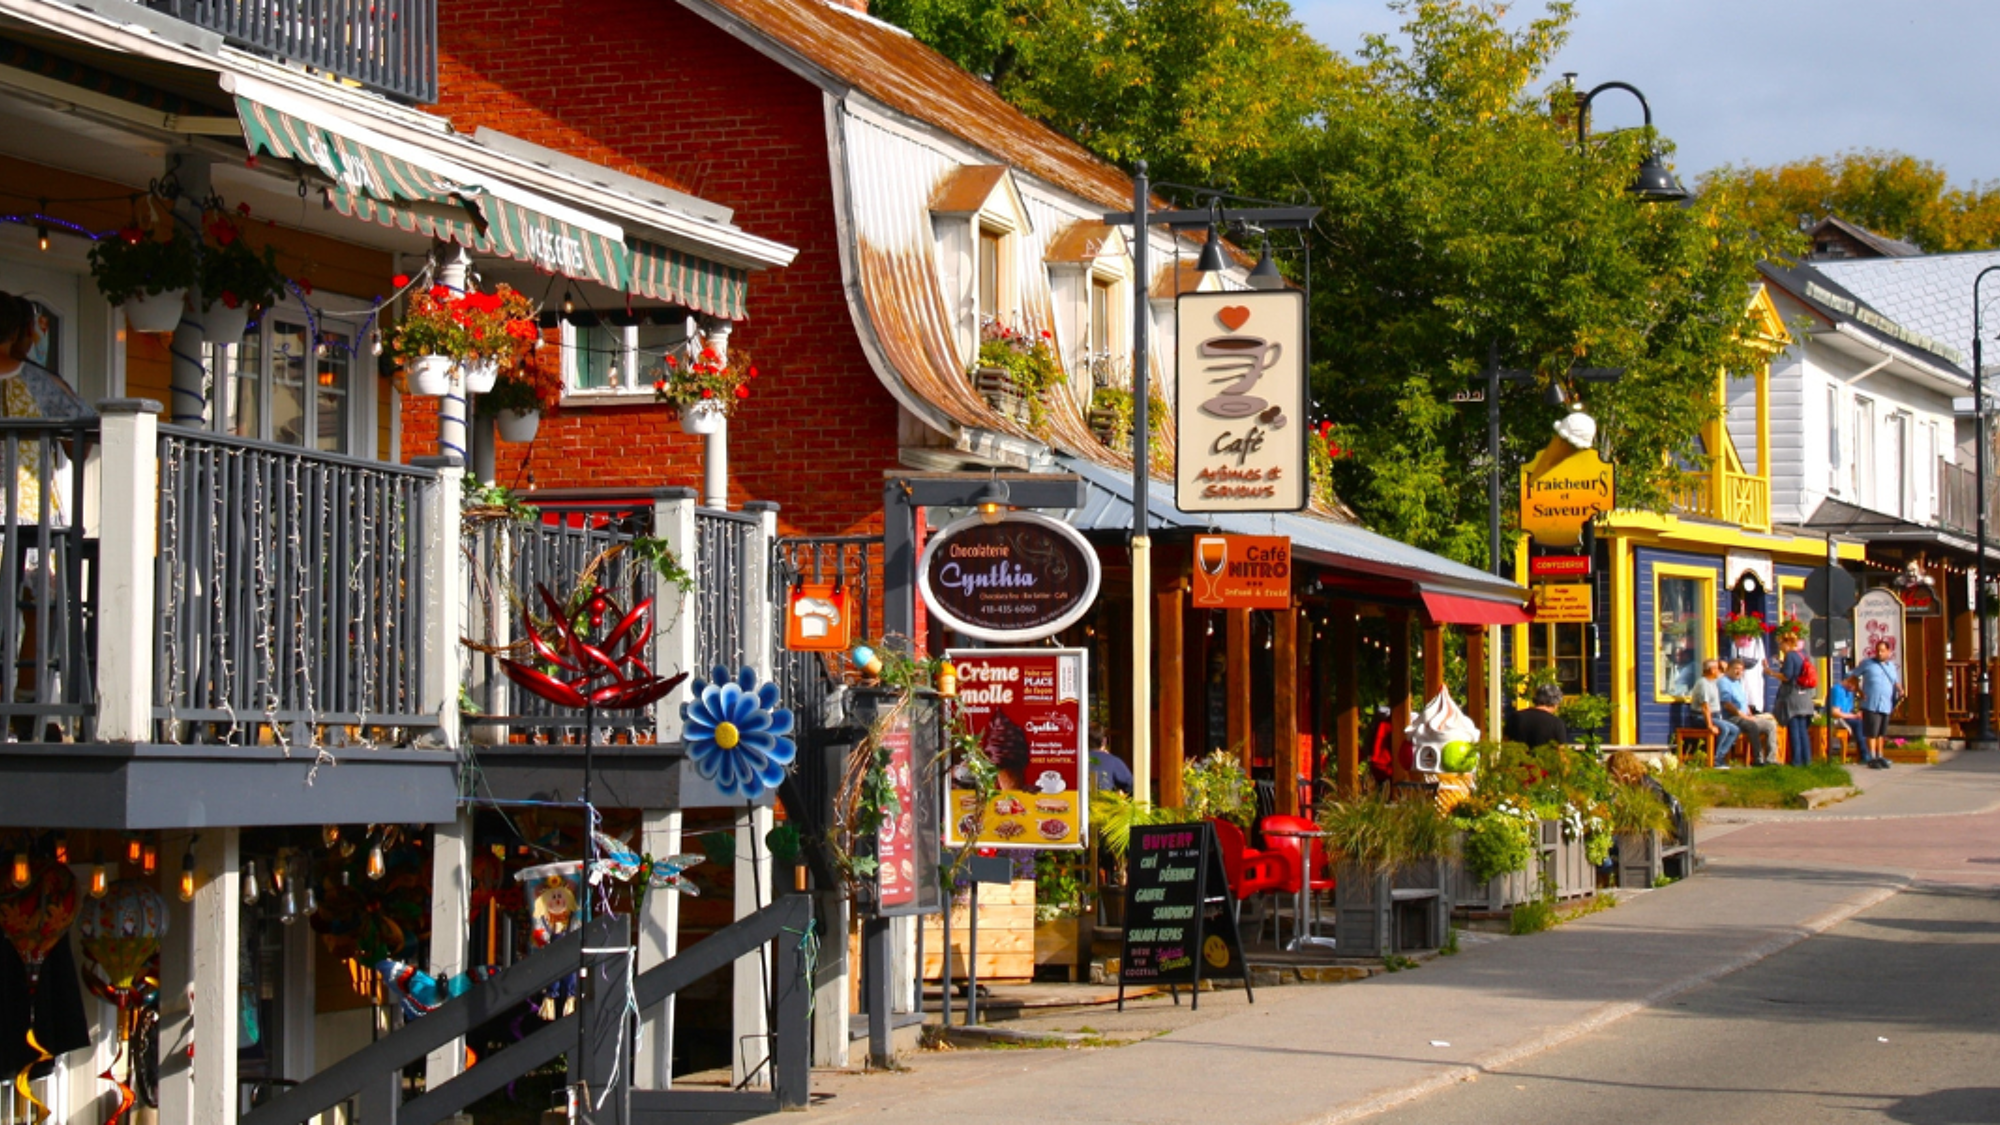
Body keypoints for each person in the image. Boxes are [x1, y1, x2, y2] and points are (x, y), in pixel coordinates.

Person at [1767, 633, 1815, 766]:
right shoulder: (1801, 655)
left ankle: (1796, 760)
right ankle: (1807, 760)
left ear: (1787, 643)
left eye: (1781, 643)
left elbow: (1787, 676)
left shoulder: (1790, 656)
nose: (1780, 647)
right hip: (1804, 696)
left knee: (1794, 728)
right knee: (1802, 730)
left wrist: (1771, 672)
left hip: (1793, 696)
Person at [1720, 659, 1778, 765]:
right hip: (1730, 718)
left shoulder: (1737, 682)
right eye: (1736, 669)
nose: (1739, 672)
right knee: (1752, 725)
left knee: (1770, 725)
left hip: (1744, 716)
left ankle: (1771, 759)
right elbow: (1728, 705)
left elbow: (1743, 701)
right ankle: (1758, 759)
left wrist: (1749, 713)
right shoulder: (1724, 682)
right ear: (1728, 669)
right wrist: (1746, 717)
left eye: (1741, 670)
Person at [1856, 641, 1903, 765]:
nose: (1879, 653)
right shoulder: (1867, 664)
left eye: (1882, 650)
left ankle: (1880, 756)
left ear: (1888, 651)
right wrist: (1859, 691)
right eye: (1878, 650)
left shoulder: (1891, 666)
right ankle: (1871, 757)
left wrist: (1900, 689)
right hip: (1871, 703)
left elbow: (1894, 681)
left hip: (1885, 704)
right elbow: (1852, 677)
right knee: (1872, 732)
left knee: (1881, 733)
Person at [1829, 672, 1884, 769]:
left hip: (1847, 717)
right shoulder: (1837, 690)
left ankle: (1868, 753)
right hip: (1836, 719)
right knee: (1858, 724)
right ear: (1847, 681)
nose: (1854, 688)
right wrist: (1853, 716)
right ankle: (1865, 754)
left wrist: (1857, 714)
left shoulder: (1850, 692)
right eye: (1853, 684)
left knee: (1863, 723)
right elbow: (1835, 712)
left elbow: (1849, 709)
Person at [1693, 658, 1740, 768]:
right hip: (1700, 717)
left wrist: (1724, 667)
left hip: (1715, 716)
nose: (1720, 671)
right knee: (1725, 729)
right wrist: (1710, 725)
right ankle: (1714, 759)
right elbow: (1705, 707)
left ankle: (1719, 756)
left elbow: (1725, 675)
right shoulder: (1703, 684)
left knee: (1735, 730)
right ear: (1711, 670)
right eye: (1718, 668)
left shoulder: (1713, 682)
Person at [1512, 682, 1569, 748]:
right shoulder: (1557, 723)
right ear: (1556, 703)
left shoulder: (1515, 717)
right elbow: (1561, 752)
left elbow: (1506, 745)